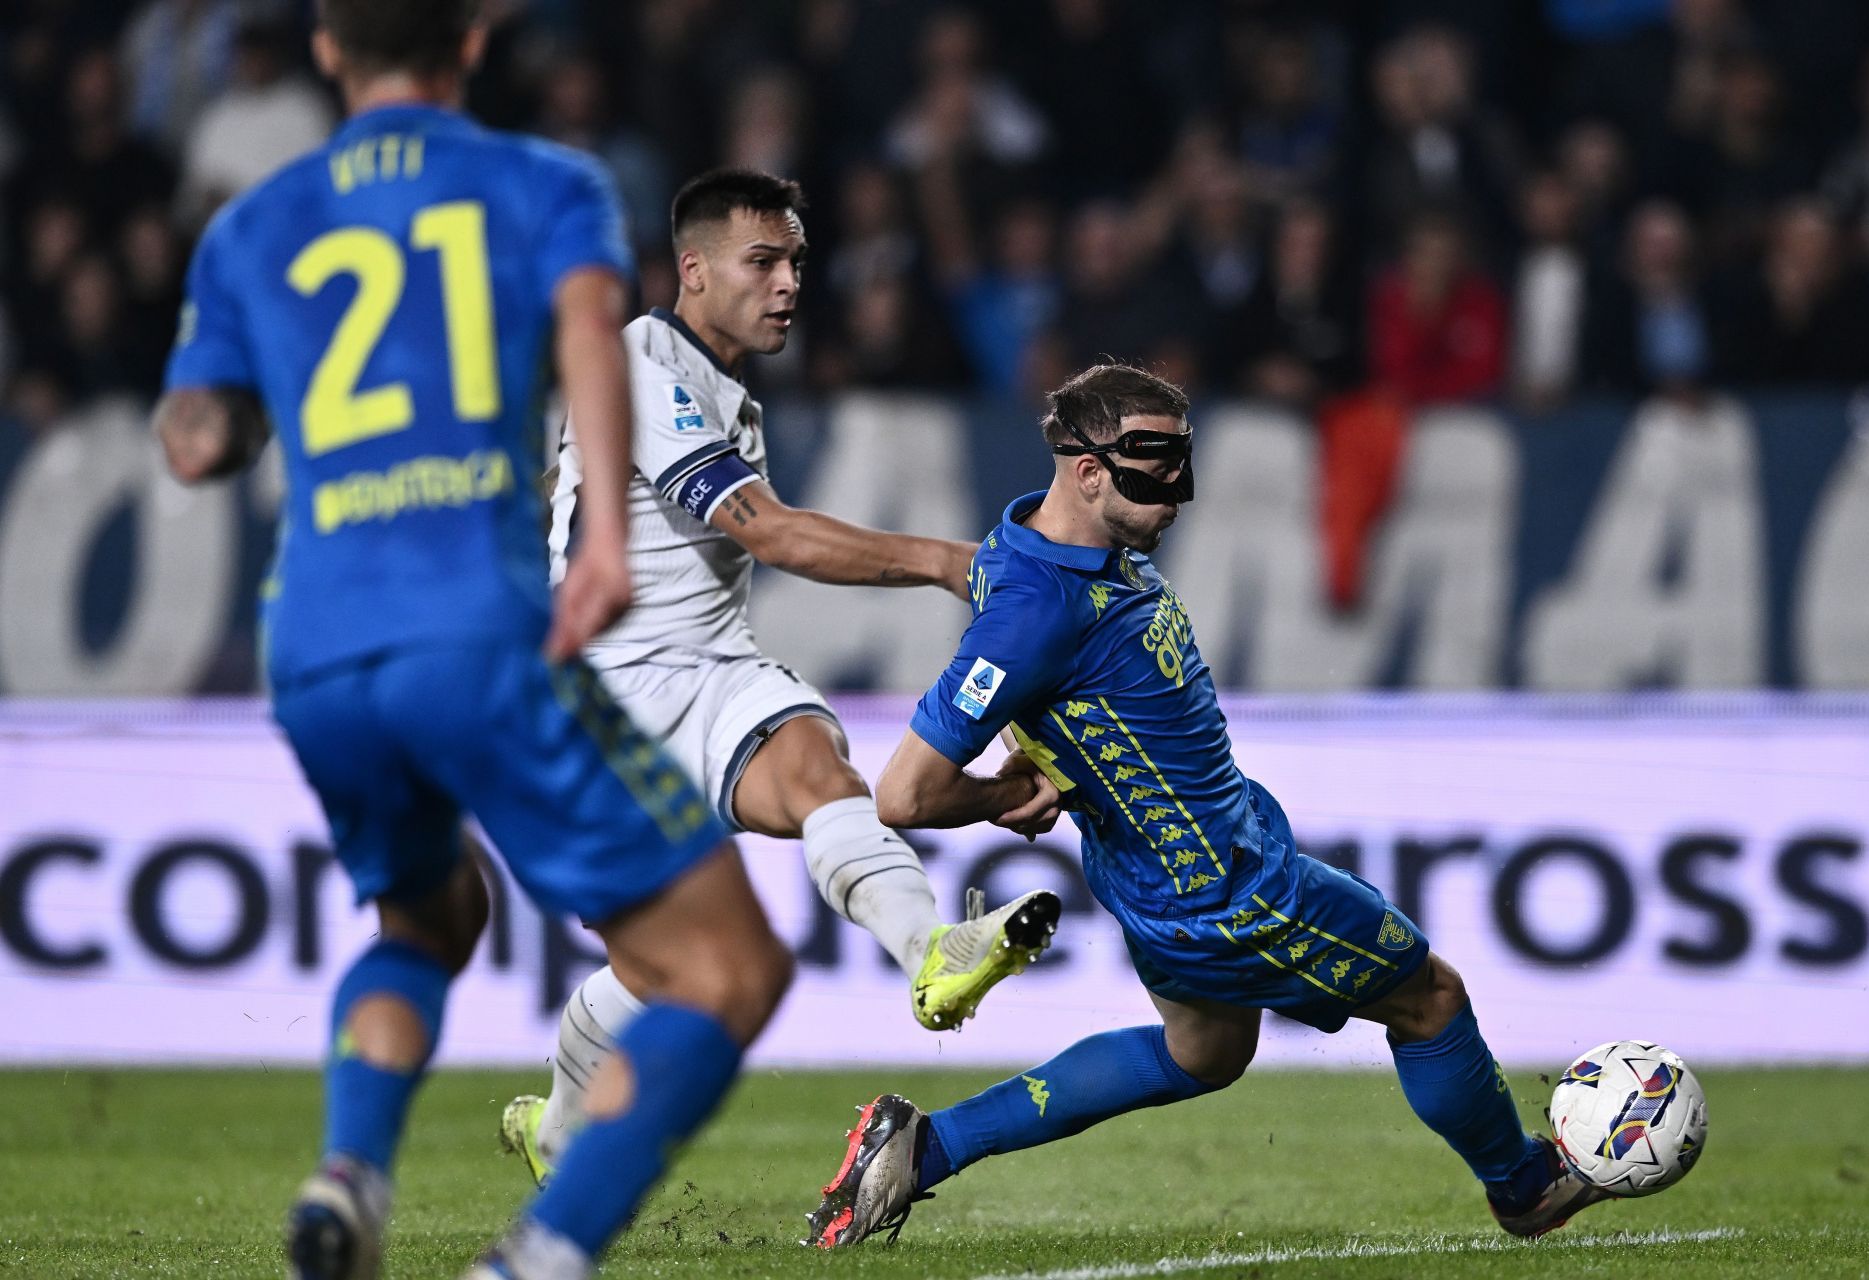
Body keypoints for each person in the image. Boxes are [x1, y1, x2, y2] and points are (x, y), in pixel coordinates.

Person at [154, 4, 791, 1278]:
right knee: (727, 966)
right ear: (477, 40)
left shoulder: (250, 228)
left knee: (431, 915)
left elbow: (196, 442)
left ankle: (351, 1168)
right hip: (476, 630)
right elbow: (589, 345)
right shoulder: (542, 182)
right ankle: (539, 1255)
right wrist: (604, 534)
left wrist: (258, 392)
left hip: (317, 652)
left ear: (331, 51)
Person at [802, 364, 1609, 1248]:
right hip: (1228, 891)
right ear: (1087, 472)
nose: (1179, 490)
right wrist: (1002, 790)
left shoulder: (1047, 551)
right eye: (1156, 463)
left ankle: (924, 1150)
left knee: (1205, 1054)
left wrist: (1053, 753)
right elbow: (903, 790)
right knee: (1431, 1000)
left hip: (1155, 884)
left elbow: (956, 566)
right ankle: (1523, 1186)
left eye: (1184, 459)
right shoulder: (1036, 609)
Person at [501, 168, 1059, 1184]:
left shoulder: (717, 392)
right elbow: (771, 530)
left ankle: (935, 955)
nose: (791, 282)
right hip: (609, 696)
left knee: (819, 768)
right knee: (664, 970)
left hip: (710, 668)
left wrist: (977, 796)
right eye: (765, 261)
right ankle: (556, 1130)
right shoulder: (641, 359)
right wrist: (950, 561)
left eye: (797, 260)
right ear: (695, 269)